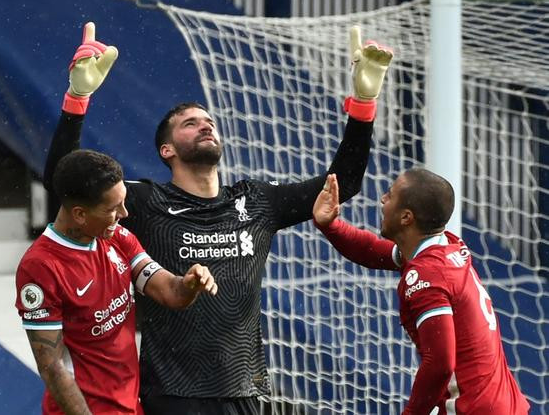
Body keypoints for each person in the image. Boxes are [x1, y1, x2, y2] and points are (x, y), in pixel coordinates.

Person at [42, 21, 393, 414]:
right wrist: (77, 98)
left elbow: (341, 183)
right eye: (189, 124)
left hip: (247, 393)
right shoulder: (145, 201)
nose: (204, 125)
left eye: (208, 121)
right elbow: (66, 183)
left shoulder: (257, 200)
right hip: (172, 397)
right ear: (166, 150)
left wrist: (363, 106)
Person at [15, 149, 218, 415]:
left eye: (123, 202)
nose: (124, 213)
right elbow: (51, 367)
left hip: (130, 407)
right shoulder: (40, 267)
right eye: (113, 208)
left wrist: (189, 284)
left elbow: (170, 292)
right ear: (79, 214)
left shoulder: (117, 237)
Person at [312, 169, 530, 414]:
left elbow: (440, 363)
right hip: (503, 403)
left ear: (406, 217)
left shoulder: (428, 275)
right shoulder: (446, 246)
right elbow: (373, 250)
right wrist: (330, 225)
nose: (383, 199)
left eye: (390, 195)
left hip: (475, 408)